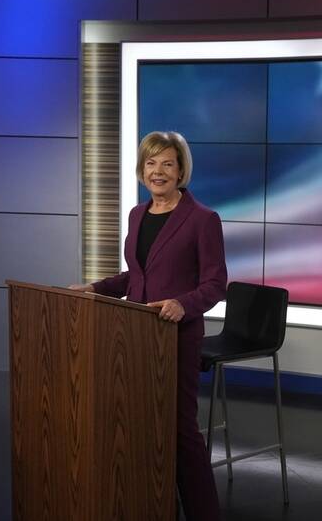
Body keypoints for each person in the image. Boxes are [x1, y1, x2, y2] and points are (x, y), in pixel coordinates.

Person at [71, 131, 226, 520]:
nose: (158, 171)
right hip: (135, 336)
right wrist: (95, 288)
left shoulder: (203, 219)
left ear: (181, 170)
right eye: (151, 163)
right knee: (140, 425)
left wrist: (181, 303)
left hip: (176, 337)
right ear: (142, 171)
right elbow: (136, 276)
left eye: (168, 163)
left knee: (180, 431)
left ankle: (203, 512)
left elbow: (214, 284)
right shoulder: (137, 214)